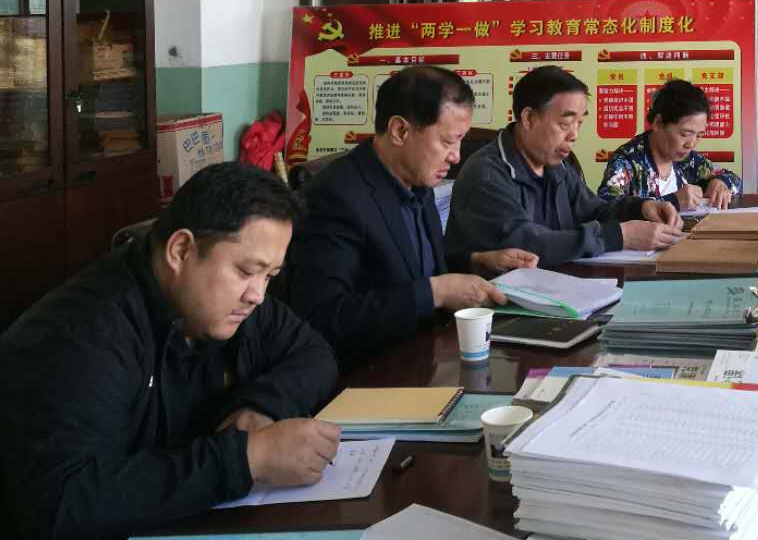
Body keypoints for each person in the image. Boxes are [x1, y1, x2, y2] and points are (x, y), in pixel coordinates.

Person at [0, 163, 340, 540]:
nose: (258, 295)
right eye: (247, 271)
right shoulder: (84, 334)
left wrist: (260, 407)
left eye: (270, 276)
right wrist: (246, 459)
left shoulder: (229, 304)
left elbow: (314, 354)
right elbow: (61, 504)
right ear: (181, 250)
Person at [288, 65, 534, 367]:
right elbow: (325, 316)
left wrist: (476, 261)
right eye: (447, 142)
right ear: (400, 131)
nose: (457, 156)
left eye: (460, 141)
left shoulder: (417, 180)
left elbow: (407, 268)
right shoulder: (335, 197)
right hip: (372, 371)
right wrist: (436, 292)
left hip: (429, 354)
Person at [447, 65, 683, 268]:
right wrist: (619, 236)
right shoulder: (486, 175)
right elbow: (528, 244)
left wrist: (642, 208)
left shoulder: (556, 164)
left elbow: (594, 210)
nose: (574, 135)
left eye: (579, 123)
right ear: (528, 118)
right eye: (566, 123)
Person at [598, 78, 742, 210]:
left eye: (699, 135)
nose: (691, 144)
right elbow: (605, 208)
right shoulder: (627, 161)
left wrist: (721, 182)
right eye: (684, 134)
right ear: (658, 123)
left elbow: (735, 180)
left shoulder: (688, 160)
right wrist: (674, 201)